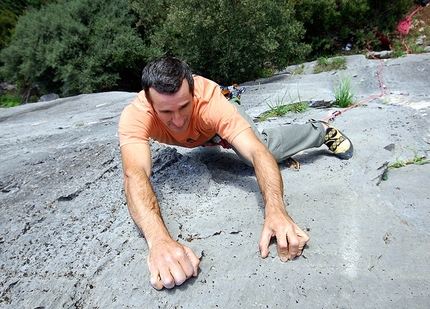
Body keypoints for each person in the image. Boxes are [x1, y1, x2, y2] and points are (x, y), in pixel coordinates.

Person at [118, 56, 353, 290]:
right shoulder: (136, 114)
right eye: (166, 112)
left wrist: (276, 210)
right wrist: (158, 241)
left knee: (264, 147)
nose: (178, 120)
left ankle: (320, 131)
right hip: (201, 134)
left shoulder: (210, 101)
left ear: (193, 93)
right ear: (150, 103)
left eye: (184, 106)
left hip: (213, 124)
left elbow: (256, 152)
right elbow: (134, 174)